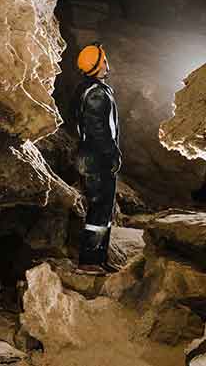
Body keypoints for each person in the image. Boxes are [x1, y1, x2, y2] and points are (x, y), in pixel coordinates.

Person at [73, 42, 121, 273]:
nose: (107, 61)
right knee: (99, 209)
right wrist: (112, 154)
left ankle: (97, 258)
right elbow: (98, 131)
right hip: (96, 158)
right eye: (104, 58)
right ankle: (90, 260)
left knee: (101, 209)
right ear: (100, 63)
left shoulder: (87, 88)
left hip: (89, 155)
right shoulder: (96, 94)